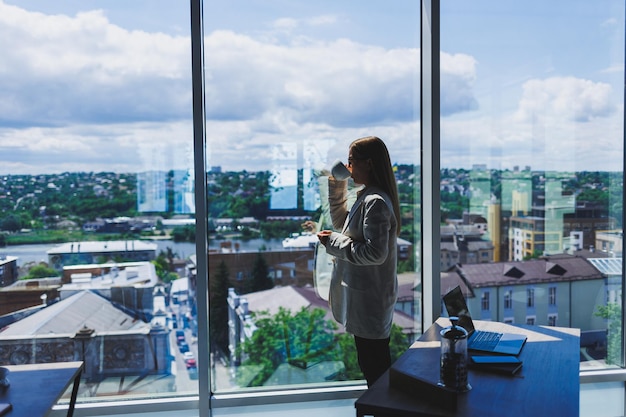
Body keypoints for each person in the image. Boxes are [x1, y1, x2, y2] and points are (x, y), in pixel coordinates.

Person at [316, 135, 400, 387]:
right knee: (373, 367)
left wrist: (332, 242)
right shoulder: (368, 197)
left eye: (352, 161)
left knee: (375, 372)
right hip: (367, 300)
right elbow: (343, 225)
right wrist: (336, 185)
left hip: (369, 302)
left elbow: (375, 253)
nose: (348, 167)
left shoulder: (375, 202)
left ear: (370, 163)